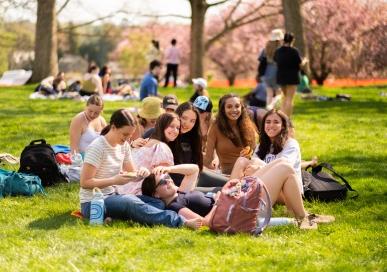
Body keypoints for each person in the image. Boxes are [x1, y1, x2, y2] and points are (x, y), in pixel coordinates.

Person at [80, 109, 201, 229]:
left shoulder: (124, 146)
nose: (128, 139)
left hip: (113, 196)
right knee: (129, 201)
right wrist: (114, 181)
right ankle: (181, 222)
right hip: (93, 202)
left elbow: (133, 174)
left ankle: (114, 216)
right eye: (125, 134)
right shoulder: (97, 147)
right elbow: (85, 183)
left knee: (158, 203)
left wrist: (143, 172)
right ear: (113, 127)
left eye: (130, 135)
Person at [142, 159, 333, 229]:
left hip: (234, 197)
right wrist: (218, 201)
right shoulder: (175, 205)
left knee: (283, 162)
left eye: (168, 178)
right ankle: (303, 218)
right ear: (156, 194)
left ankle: (302, 216)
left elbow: (193, 169)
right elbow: (204, 224)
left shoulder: (182, 191)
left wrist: (168, 169)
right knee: (284, 168)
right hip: (237, 209)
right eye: (163, 182)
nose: (168, 180)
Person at [117, 112, 181, 195]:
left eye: (178, 128)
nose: (175, 131)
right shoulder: (161, 147)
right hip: (137, 192)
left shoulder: (145, 141)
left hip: (121, 189)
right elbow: (162, 182)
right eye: (171, 126)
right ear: (162, 126)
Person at [203, 94, 257, 175]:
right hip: (230, 175)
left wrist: (248, 155)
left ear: (241, 108)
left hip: (249, 170)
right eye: (229, 107)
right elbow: (208, 160)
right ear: (223, 110)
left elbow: (253, 152)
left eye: (237, 106)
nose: (234, 110)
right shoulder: (216, 127)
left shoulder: (248, 126)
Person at [252, 109, 303, 193]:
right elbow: (253, 163)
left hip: (289, 192)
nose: (271, 125)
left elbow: (284, 168)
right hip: (266, 184)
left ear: (283, 126)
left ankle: (239, 193)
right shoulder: (261, 145)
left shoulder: (291, 144)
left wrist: (260, 166)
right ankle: (231, 192)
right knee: (242, 161)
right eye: (268, 122)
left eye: (276, 122)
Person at [274, 32, 306, 116]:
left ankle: (282, 116)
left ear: (284, 40)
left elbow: (276, 61)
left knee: (284, 97)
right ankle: (287, 118)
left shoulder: (278, 51)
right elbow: (300, 64)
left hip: (281, 76)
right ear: (293, 40)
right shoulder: (294, 51)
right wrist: (305, 61)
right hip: (292, 77)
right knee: (289, 98)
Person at [260, 29, 284, 110]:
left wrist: (261, 74)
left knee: (269, 94)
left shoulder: (266, 48)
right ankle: (274, 107)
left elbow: (261, 61)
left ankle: (268, 110)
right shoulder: (281, 49)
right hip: (278, 73)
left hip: (267, 72)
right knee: (279, 94)